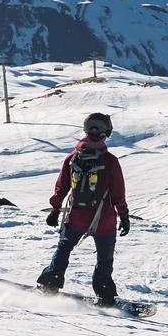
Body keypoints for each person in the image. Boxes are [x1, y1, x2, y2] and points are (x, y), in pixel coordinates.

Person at [37, 112, 130, 306]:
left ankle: (50, 284)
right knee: (105, 258)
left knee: (64, 248)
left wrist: (55, 210)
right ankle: (104, 295)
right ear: (107, 133)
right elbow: (118, 193)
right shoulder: (110, 161)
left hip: (77, 215)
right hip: (104, 219)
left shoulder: (72, 158)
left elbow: (61, 186)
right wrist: (123, 215)